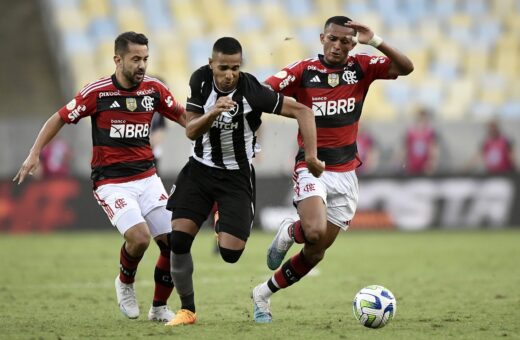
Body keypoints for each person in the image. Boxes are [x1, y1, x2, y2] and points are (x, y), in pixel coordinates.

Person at [13, 31, 186, 322]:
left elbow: (184, 118)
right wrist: (34, 154)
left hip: (147, 177)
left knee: (174, 244)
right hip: (111, 183)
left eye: (145, 59)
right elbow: (58, 117)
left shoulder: (154, 89)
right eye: (135, 59)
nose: (142, 65)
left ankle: (158, 308)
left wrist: (210, 128)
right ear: (118, 59)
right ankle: (125, 283)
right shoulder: (98, 92)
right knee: (140, 238)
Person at [251, 16, 414, 323]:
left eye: (345, 41)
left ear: (353, 44)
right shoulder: (303, 70)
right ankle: (291, 230)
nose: (338, 45)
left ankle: (263, 293)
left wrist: (376, 40)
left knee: (314, 253)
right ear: (321, 37)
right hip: (312, 168)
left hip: (347, 173)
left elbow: (406, 68)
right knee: (312, 231)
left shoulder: (361, 67)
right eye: (333, 39)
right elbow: (261, 92)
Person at [164, 37, 324, 326]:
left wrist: (311, 156)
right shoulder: (200, 81)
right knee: (178, 239)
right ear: (211, 64)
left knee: (230, 254)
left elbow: (303, 111)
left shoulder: (252, 91)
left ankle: (219, 217)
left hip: (236, 177)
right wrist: (212, 112)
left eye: (235, 68)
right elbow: (190, 130)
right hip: (199, 171)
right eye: (223, 67)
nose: (229, 74)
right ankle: (187, 310)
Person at [400, 107, 439, 175]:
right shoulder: (410, 132)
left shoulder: (430, 132)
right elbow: (406, 147)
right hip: (412, 166)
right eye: (420, 118)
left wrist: (432, 162)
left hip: (425, 166)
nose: (422, 120)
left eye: (424, 118)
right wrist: (403, 162)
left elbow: (433, 148)